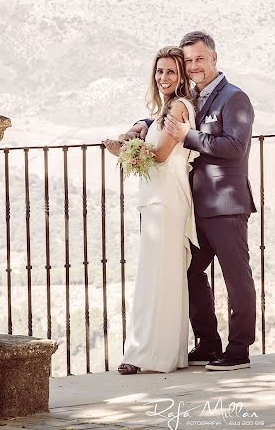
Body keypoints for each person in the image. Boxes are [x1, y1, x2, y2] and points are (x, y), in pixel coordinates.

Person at [138, 31, 257, 371]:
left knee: (237, 278)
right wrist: (141, 124)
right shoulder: (195, 97)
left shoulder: (235, 98)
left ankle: (239, 351)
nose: (193, 67)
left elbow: (235, 146)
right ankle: (208, 342)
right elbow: (171, 117)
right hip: (195, 207)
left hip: (227, 206)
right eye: (188, 61)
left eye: (199, 59)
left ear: (214, 59)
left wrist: (187, 136)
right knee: (188, 272)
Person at [103, 46, 198, 374]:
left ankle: (149, 355)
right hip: (158, 200)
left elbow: (159, 155)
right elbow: (148, 127)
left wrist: (123, 150)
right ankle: (161, 353)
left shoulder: (180, 109)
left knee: (160, 277)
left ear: (181, 75)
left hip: (167, 201)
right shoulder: (164, 112)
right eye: (159, 71)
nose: (163, 77)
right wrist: (135, 129)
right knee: (155, 276)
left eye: (170, 71)